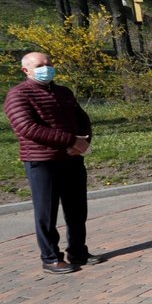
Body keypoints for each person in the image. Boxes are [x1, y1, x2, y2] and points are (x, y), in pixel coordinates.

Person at [4, 52, 101, 274]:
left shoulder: (63, 92)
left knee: (77, 210)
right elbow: (27, 128)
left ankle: (78, 252)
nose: (45, 68)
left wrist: (83, 141)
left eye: (48, 64)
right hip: (43, 161)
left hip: (72, 158)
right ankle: (50, 258)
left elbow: (82, 118)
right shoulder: (18, 95)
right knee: (46, 213)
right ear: (26, 70)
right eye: (39, 65)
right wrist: (69, 140)